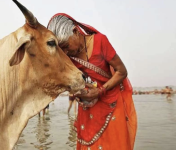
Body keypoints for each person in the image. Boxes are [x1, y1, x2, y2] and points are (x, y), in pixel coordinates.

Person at [48, 13, 137, 150]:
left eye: (66, 46)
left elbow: (122, 71)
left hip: (111, 102)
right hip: (88, 107)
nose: (65, 53)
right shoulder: (69, 57)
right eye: (61, 50)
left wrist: (100, 91)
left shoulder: (100, 42)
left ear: (76, 32)